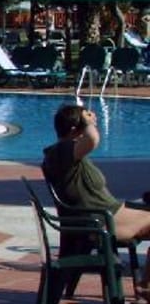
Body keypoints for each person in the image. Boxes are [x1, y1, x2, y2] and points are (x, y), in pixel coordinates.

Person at [42, 103, 150, 286]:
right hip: (102, 221)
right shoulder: (64, 151)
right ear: (74, 130)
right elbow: (93, 140)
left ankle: (146, 285)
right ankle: (147, 286)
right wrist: (88, 123)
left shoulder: (65, 154)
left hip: (103, 216)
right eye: (85, 124)